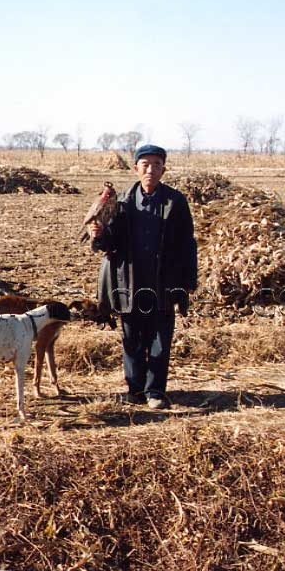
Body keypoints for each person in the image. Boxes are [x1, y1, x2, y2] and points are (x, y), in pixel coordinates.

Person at [90, 144, 197, 409]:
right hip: (129, 282)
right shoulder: (122, 202)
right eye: (145, 164)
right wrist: (98, 235)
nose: (151, 170)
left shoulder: (175, 202)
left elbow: (188, 244)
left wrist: (187, 284)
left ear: (164, 169)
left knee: (160, 339)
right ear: (136, 168)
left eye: (156, 165)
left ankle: (156, 392)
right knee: (132, 338)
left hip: (163, 282)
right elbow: (109, 245)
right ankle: (135, 389)